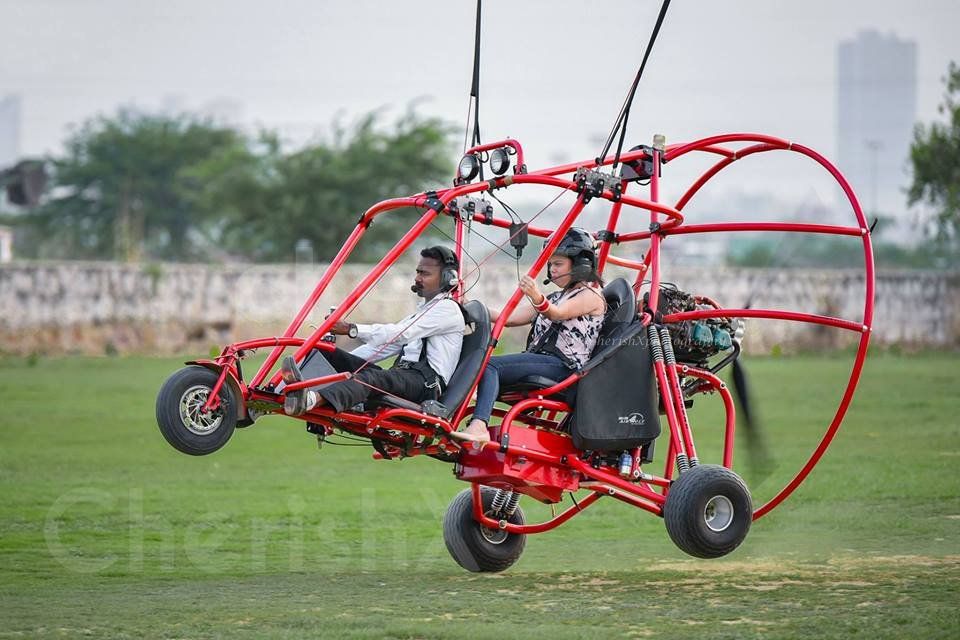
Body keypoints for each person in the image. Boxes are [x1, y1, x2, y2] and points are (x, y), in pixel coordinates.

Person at [451, 227, 606, 444]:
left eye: (558, 264)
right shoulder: (554, 296)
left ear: (580, 264)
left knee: (490, 366)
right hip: (543, 361)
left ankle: (479, 426)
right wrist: (469, 306)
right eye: (550, 264)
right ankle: (451, 415)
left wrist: (536, 295)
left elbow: (557, 313)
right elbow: (511, 317)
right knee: (476, 363)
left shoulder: (592, 296)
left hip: (565, 369)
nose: (552, 270)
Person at [281, 246, 465, 415]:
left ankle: (311, 399)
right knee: (324, 351)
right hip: (404, 377)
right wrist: (343, 360)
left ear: (447, 278)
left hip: (425, 385)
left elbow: (401, 334)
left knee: (370, 378)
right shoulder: (423, 312)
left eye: (424, 274)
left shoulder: (447, 310)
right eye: (417, 272)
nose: (417, 278)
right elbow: (382, 347)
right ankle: (280, 392)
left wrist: (352, 329)